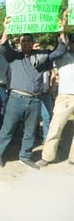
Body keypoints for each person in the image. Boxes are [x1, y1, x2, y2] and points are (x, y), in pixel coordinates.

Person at [0, 16, 67, 170]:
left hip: (35, 100)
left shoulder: (42, 56)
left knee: (30, 131)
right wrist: (6, 28)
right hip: (16, 99)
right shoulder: (14, 56)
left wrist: (61, 31)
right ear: (20, 44)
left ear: (32, 43)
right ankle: (0, 155)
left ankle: (25, 156)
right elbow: (3, 47)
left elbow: (61, 50)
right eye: (23, 41)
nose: (26, 43)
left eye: (28, 40)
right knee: (8, 129)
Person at [37, 30, 74, 167]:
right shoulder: (62, 57)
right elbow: (61, 44)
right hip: (65, 97)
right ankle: (47, 157)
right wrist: (62, 30)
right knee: (55, 127)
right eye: (72, 42)